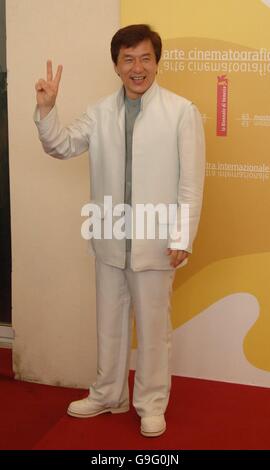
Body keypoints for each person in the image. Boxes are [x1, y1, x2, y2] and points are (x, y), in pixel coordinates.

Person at [34, 24, 205, 437]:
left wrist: (182, 236)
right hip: (110, 237)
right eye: (128, 59)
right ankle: (108, 393)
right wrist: (47, 110)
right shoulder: (99, 112)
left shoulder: (181, 112)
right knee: (109, 324)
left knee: (152, 331)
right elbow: (62, 145)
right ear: (116, 65)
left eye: (145, 58)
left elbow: (190, 183)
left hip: (156, 242)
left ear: (156, 62)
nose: (137, 67)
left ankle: (151, 403)